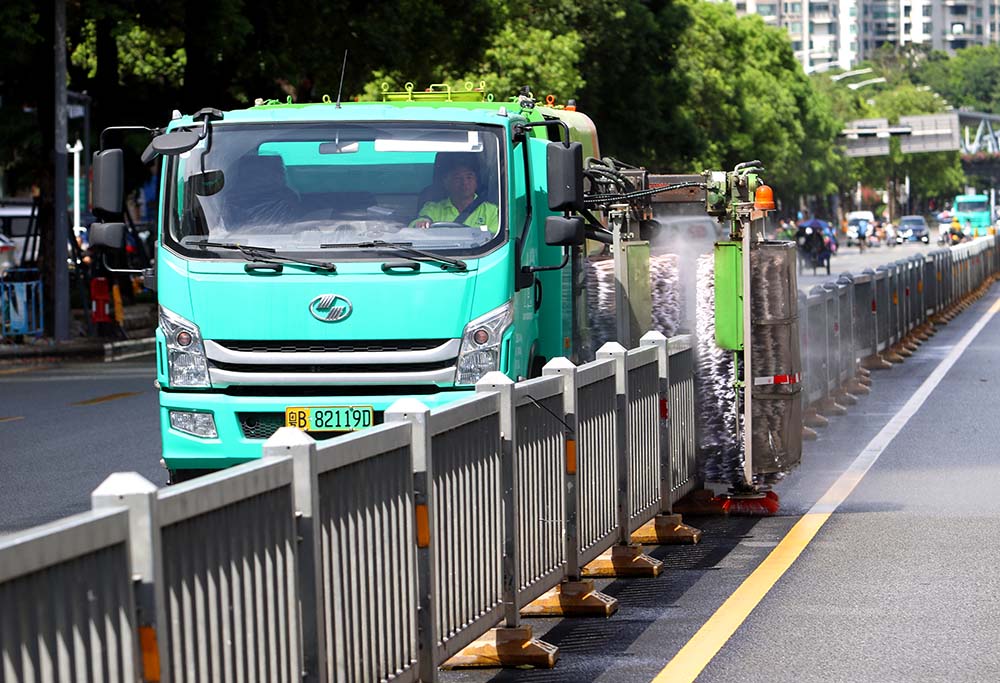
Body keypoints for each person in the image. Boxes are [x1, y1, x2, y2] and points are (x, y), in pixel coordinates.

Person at [412, 153, 499, 233]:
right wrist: (422, 223)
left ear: (476, 181)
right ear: (446, 182)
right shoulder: (432, 209)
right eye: (457, 178)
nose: (464, 182)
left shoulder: (492, 211)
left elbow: (495, 242)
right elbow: (418, 225)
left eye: (469, 177)